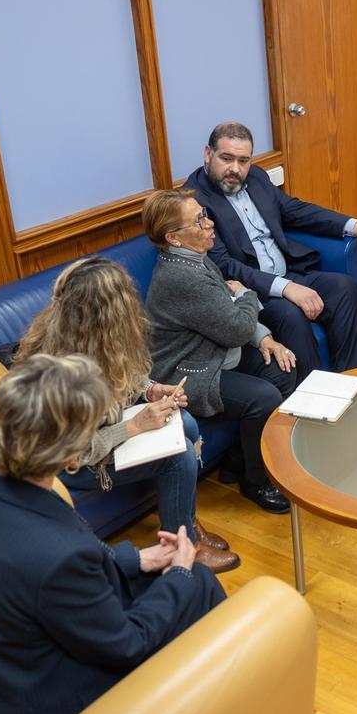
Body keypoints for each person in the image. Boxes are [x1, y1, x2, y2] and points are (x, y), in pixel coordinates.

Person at [0, 354, 225, 714]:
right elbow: (127, 643)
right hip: (44, 706)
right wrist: (179, 573)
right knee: (197, 584)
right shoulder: (60, 559)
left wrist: (139, 558)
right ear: (73, 454)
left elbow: (46, 575)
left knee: (185, 584)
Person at [15, 257, 239, 573]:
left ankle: (186, 524)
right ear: (104, 316)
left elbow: (124, 377)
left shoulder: (94, 341)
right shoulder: (61, 374)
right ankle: (181, 549)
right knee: (180, 456)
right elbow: (75, 454)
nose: (133, 310)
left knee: (185, 423)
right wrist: (135, 425)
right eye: (125, 304)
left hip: (100, 433)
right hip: (64, 464)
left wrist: (151, 390)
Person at [185, 121, 357, 379]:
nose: (235, 169)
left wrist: (356, 226)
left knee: (345, 288)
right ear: (207, 154)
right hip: (250, 293)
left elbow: (294, 210)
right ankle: (315, 399)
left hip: (289, 271)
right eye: (226, 158)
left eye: (243, 160)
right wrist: (286, 288)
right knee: (290, 314)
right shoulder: (194, 201)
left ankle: (351, 380)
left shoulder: (256, 177)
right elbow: (224, 265)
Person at [143, 187, 297, 514]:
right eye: (199, 221)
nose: (210, 224)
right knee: (264, 397)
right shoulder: (181, 277)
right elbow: (237, 320)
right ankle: (257, 482)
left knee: (280, 368)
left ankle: (237, 461)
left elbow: (228, 312)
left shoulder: (195, 258)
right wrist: (247, 295)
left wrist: (264, 337)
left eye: (204, 215)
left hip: (215, 352)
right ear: (173, 237)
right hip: (186, 374)